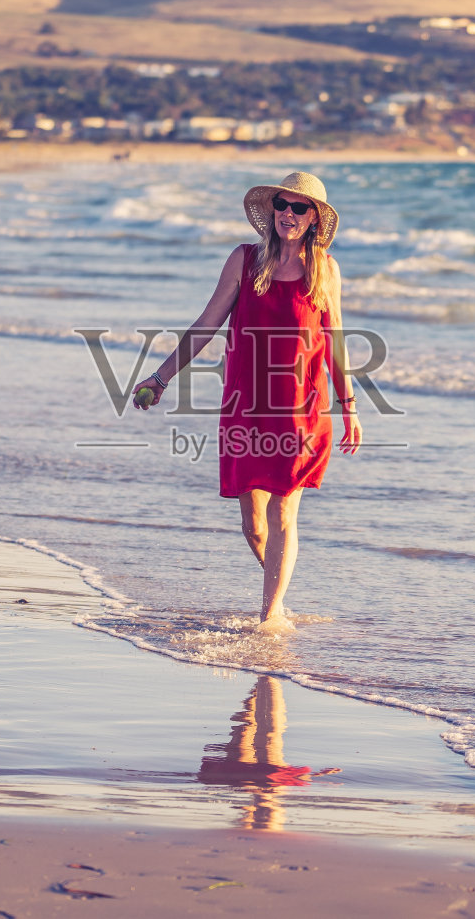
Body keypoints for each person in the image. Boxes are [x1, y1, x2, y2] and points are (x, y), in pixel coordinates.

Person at [134, 172, 361, 634]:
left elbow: (336, 343)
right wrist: (160, 377)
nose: (288, 214)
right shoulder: (244, 260)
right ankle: (279, 590)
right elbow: (206, 324)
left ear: (315, 218)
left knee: (283, 512)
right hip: (245, 405)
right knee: (253, 525)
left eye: (299, 208)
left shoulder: (325, 270)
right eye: (282, 204)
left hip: (300, 408)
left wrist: (350, 407)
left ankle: (270, 615)